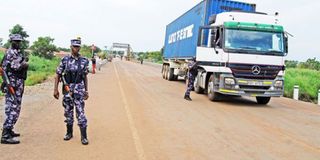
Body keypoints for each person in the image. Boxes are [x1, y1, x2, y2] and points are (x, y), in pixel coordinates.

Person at [53, 38, 90, 145]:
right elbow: (58, 75)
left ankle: (84, 136)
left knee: (80, 113)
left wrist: (86, 91)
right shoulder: (65, 60)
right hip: (67, 88)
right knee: (68, 112)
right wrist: (55, 89)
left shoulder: (84, 61)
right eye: (74, 46)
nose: (76, 48)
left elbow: (85, 77)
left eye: (78, 46)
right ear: (71, 47)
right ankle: (69, 133)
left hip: (79, 89)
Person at [1, 34, 29, 144]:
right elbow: (15, 67)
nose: (18, 43)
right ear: (11, 41)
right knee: (12, 108)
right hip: (12, 84)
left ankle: (10, 129)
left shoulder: (16, 52)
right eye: (16, 41)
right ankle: (5, 135)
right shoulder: (11, 53)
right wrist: (25, 63)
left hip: (17, 83)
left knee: (16, 107)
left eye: (19, 41)